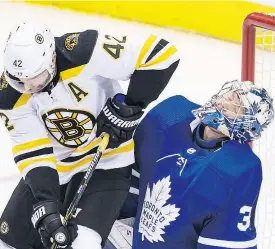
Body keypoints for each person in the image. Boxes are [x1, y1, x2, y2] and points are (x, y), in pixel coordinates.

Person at [0, 21, 180, 249]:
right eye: (20, 81)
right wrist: (46, 201)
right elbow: (33, 151)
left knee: (83, 244)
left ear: (52, 58)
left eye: (37, 78)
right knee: (8, 242)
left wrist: (130, 106)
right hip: (56, 168)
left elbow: (161, 54)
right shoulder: (8, 95)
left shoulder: (83, 50)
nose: (29, 88)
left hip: (107, 162)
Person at [105, 80, 274, 249]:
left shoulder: (238, 170)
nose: (227, 98)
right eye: (231, 92)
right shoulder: (170, 116)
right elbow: (134, 177)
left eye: (238, 102)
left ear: (247, 124)